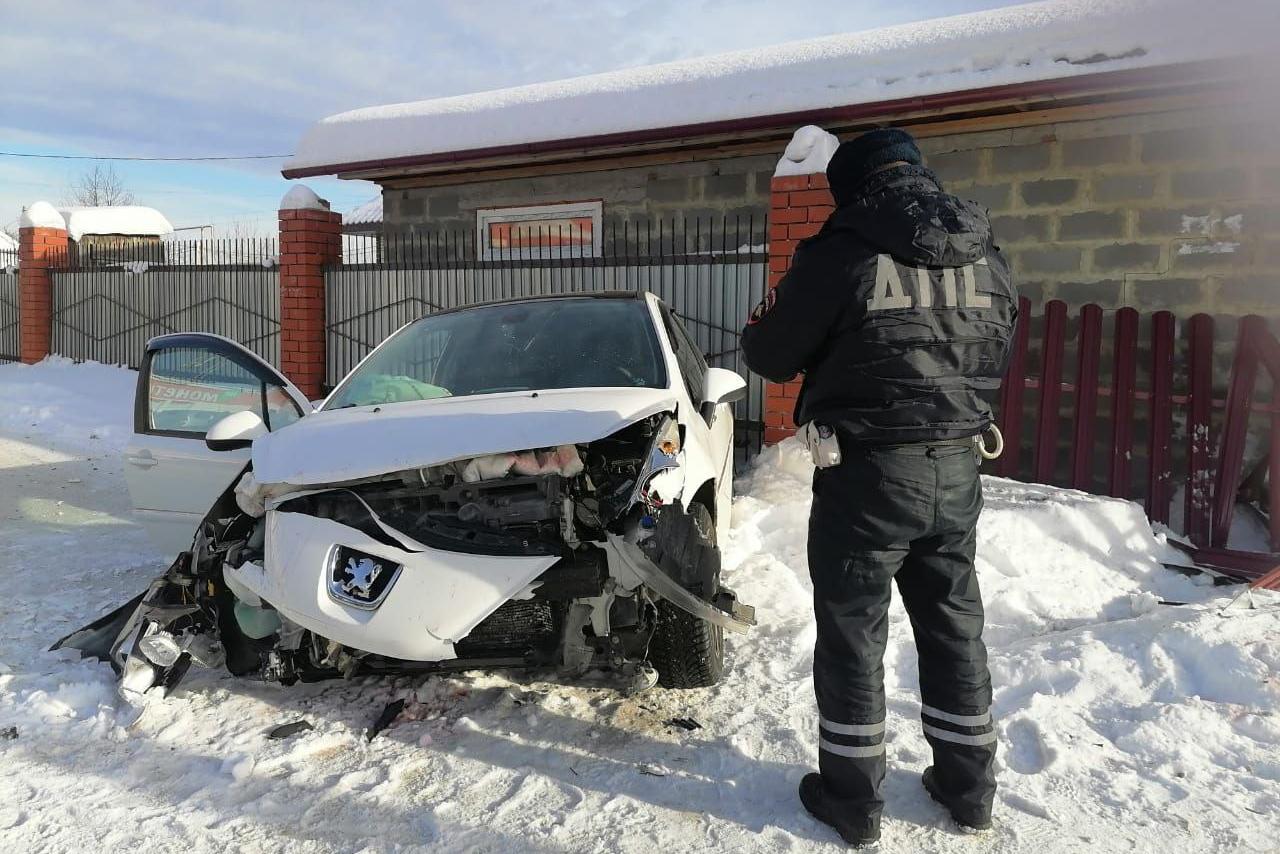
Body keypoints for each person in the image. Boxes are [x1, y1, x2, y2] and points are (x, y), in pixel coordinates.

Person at [741, 127, 1017, 847]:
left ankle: (853, 800)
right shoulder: (987, 251)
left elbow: (769, 353)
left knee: (853, 635)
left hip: (865, 475)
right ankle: (969, 790)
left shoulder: (842, 251)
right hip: (958, 468)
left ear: (854, 188)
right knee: (956, 627)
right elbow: (1000, 344)